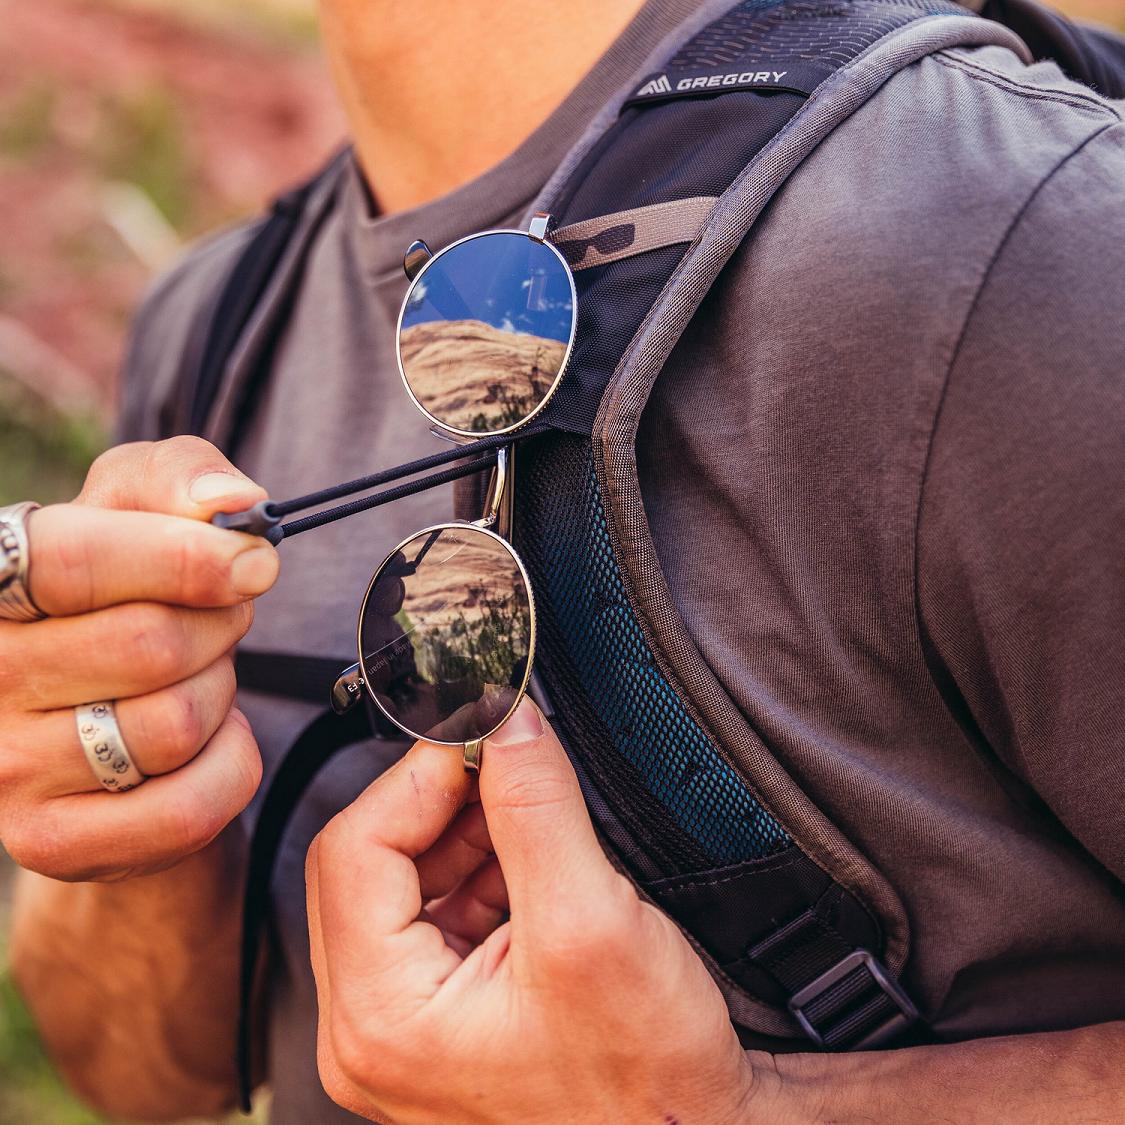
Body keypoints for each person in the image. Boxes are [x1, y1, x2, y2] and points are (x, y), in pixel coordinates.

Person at [5, 0, 1125, 1121]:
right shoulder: (217, 327)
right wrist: (132, 811)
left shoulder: (1000, 235)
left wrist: (752, 1109)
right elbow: (154, 1081)